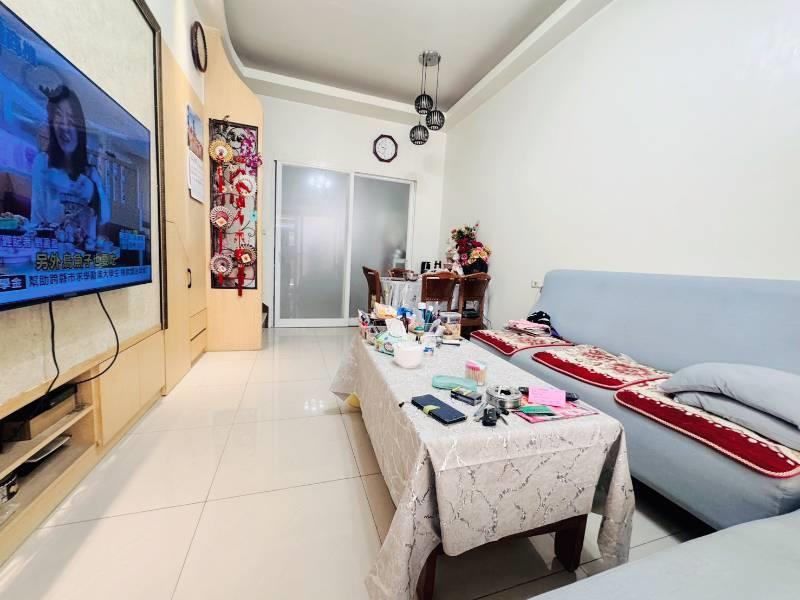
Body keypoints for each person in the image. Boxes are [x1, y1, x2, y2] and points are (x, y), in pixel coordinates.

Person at [31, 85, 109, 250]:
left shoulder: (91, 173)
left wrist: (93, 194)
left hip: (83, 258)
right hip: (51, 256)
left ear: (80, 128)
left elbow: (105, 217)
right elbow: (36, 220)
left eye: (71, 119)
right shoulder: (42, 163)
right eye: (58, 116)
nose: (64, 126)